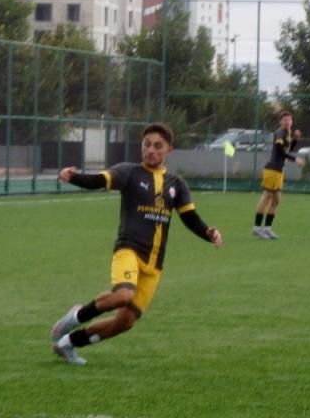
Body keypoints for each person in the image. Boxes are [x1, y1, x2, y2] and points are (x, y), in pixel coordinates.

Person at [48, 123, 222, 365]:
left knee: (125, 322)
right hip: (128, 249)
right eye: (146, 145)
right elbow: (101, 179)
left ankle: (69, 344)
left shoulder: (176, 184)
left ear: (169, 150)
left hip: (154, 264)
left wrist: (208, 232)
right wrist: (73, 176)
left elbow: (189, 217)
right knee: (123, 296)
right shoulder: (129, 172)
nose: (150, 150)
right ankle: (74, 317)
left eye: (157, 146)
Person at [252, 112, 304, 240]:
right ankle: (257, 228)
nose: (287, 121)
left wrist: (295, 140)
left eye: (289, 120)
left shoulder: (287, 134)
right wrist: (295, 159)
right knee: (267, 197)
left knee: (276, 201)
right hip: (272, 170)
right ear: (280, 122)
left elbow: (287, 150)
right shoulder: (280, 133)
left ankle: (267, 229)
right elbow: (281, 152)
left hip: (278, 171)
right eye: (284, 120)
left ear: (292, 122)